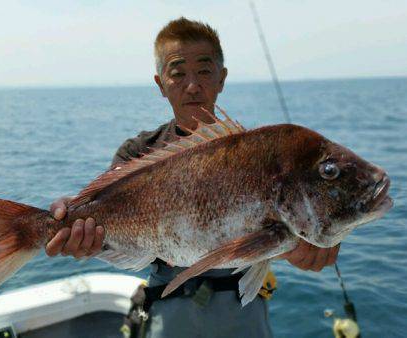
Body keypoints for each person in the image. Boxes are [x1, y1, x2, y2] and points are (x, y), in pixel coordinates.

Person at [45, 18, 340, 337]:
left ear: (221, 78)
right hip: (169, 305)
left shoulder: (258, 156)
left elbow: (278, 236)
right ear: (160, 84)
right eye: (177, 73)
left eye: (204, 70)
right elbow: (101, 220)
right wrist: (74, 223)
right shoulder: (139, 153)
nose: (192, 85)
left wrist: (309, 248)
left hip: (242, 305)